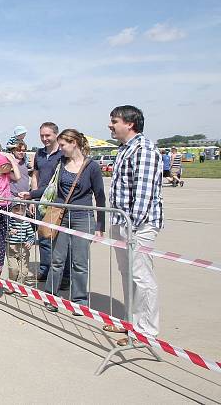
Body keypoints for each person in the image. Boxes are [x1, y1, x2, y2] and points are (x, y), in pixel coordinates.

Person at [21, 129, 105, 315]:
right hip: (61, 216)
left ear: (74, 143)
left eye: (63, 145)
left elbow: (100, 196)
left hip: (83, 218)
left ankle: (79, 301)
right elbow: (50, 188)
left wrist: (100, 225)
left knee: (80, 262)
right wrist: (32, 194)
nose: (61, 149)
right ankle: (50, 296)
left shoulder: (92, 167)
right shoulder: (61, 163)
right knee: (57, 260)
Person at [105, 105, 163, 346]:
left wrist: (132, 227)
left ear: (130, 124)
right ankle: (131, 322)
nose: (110, 125)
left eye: (114, 121)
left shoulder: (144, 150)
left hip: (137, 226)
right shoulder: (124, 150)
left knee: (142, 278)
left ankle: (146, 331)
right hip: (122, 223)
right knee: (127, 275)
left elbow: (143, 194)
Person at [30, 122, 65, 282]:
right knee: (44, 237)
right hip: (41, 201)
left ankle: (63, 275)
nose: (45, 139)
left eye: (48, 135)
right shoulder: (39, 154)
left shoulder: (63, 154)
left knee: (60, 240)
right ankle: (45, 270)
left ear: (56, 135)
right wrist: (33, 198)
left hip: (57, 201)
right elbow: (35, 175)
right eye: (42, 136)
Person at [5, 202, 36, 295]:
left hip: (23, 249)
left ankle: (19, 286)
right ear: (11, 210)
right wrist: (9, 232)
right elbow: (3, 233)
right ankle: (11, 284)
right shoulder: (9, 221)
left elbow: (31, 236)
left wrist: (30, 242)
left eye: (22, 209)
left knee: (24, 270)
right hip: (11, 247)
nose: (19, 212)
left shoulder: (26, 223)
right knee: (13, 269)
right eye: (16, 209)